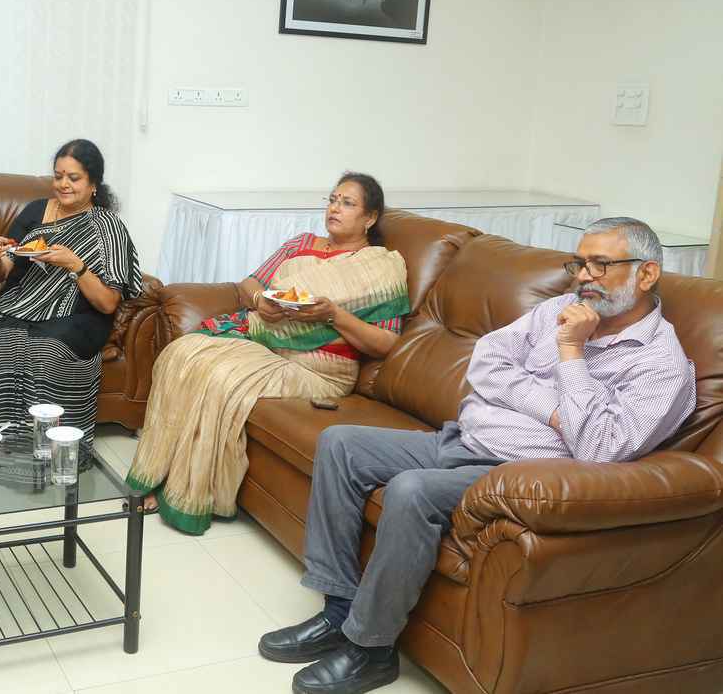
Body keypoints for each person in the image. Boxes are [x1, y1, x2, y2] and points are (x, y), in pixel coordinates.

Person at [258, 217, 697, 694]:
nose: (584, 277)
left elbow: (598, 447)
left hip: (517, 474)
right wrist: (557, 412)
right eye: (580, 264)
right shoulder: (559, 308)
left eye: (600, 265)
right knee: (340, 444)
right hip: (464, 439)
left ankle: (371, 648)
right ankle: (339, 610)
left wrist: (571, 352)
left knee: (410, 491)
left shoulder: (662, 366)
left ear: (647, 273)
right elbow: (486, 361)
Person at [127, 172, 411, 535]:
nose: (335, 208)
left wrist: (333, 315)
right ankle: (156, 473)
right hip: (267, 342)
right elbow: (250, 283)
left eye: (347, 203)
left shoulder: (380, 267)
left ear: (369, 218)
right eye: (332, 200)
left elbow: (387, 343)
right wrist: (261, 301)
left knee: (220, 378)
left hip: (318, 371)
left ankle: (189, 492)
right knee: (181, 354)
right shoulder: (300, 245)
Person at [0, 139, 142, 448]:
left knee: (44, 351)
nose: (63, 184)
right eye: (58, 176)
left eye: (74, 178)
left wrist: (76, 265)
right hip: (19, 305)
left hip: (79, 316)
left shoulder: (108, 227)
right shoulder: (35, 211)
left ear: (93, 184)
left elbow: (108, 302)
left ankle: (48, 448)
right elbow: (0, 273)